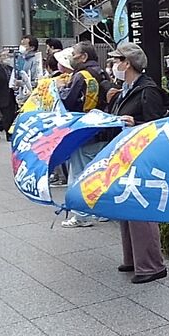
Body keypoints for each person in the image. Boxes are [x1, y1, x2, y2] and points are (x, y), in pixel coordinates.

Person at [100, 43, 168, 283]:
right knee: (126, 206)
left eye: (117, 60)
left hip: (141, 158)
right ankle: (133, 259)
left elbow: (157, 127)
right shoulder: (125, 90)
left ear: (127, 63)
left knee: (140, 208)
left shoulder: (147, 91)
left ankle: (151, 264)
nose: (114, 65)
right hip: (124, 155)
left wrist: (135, 124)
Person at [57, 42, 107, 228]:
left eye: (74, 54)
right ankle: (101, 212)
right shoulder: (101, 72)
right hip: (102, 129)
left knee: (78, 172)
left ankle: (81, 215)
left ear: (84, 57)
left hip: (83, 131)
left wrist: (60, 88)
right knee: (98, 172)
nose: (72, 57)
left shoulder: (81, 76)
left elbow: (68, 100)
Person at [0, 48, 17, 140]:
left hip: (12, 96)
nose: (7, 58)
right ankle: (8, 134)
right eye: (4, 56)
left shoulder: (11, 69)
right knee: (7, 117)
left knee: (12, 116)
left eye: (8, 56)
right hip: (2, 97)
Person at [11, 35, 44, 106]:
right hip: (22, 97)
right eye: (21, 44)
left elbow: (37, 81)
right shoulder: (21, 58)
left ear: (32, 47)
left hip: (32, 99)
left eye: (24, 45)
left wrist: (22, 83)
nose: (21, 47)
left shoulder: (36, 61)